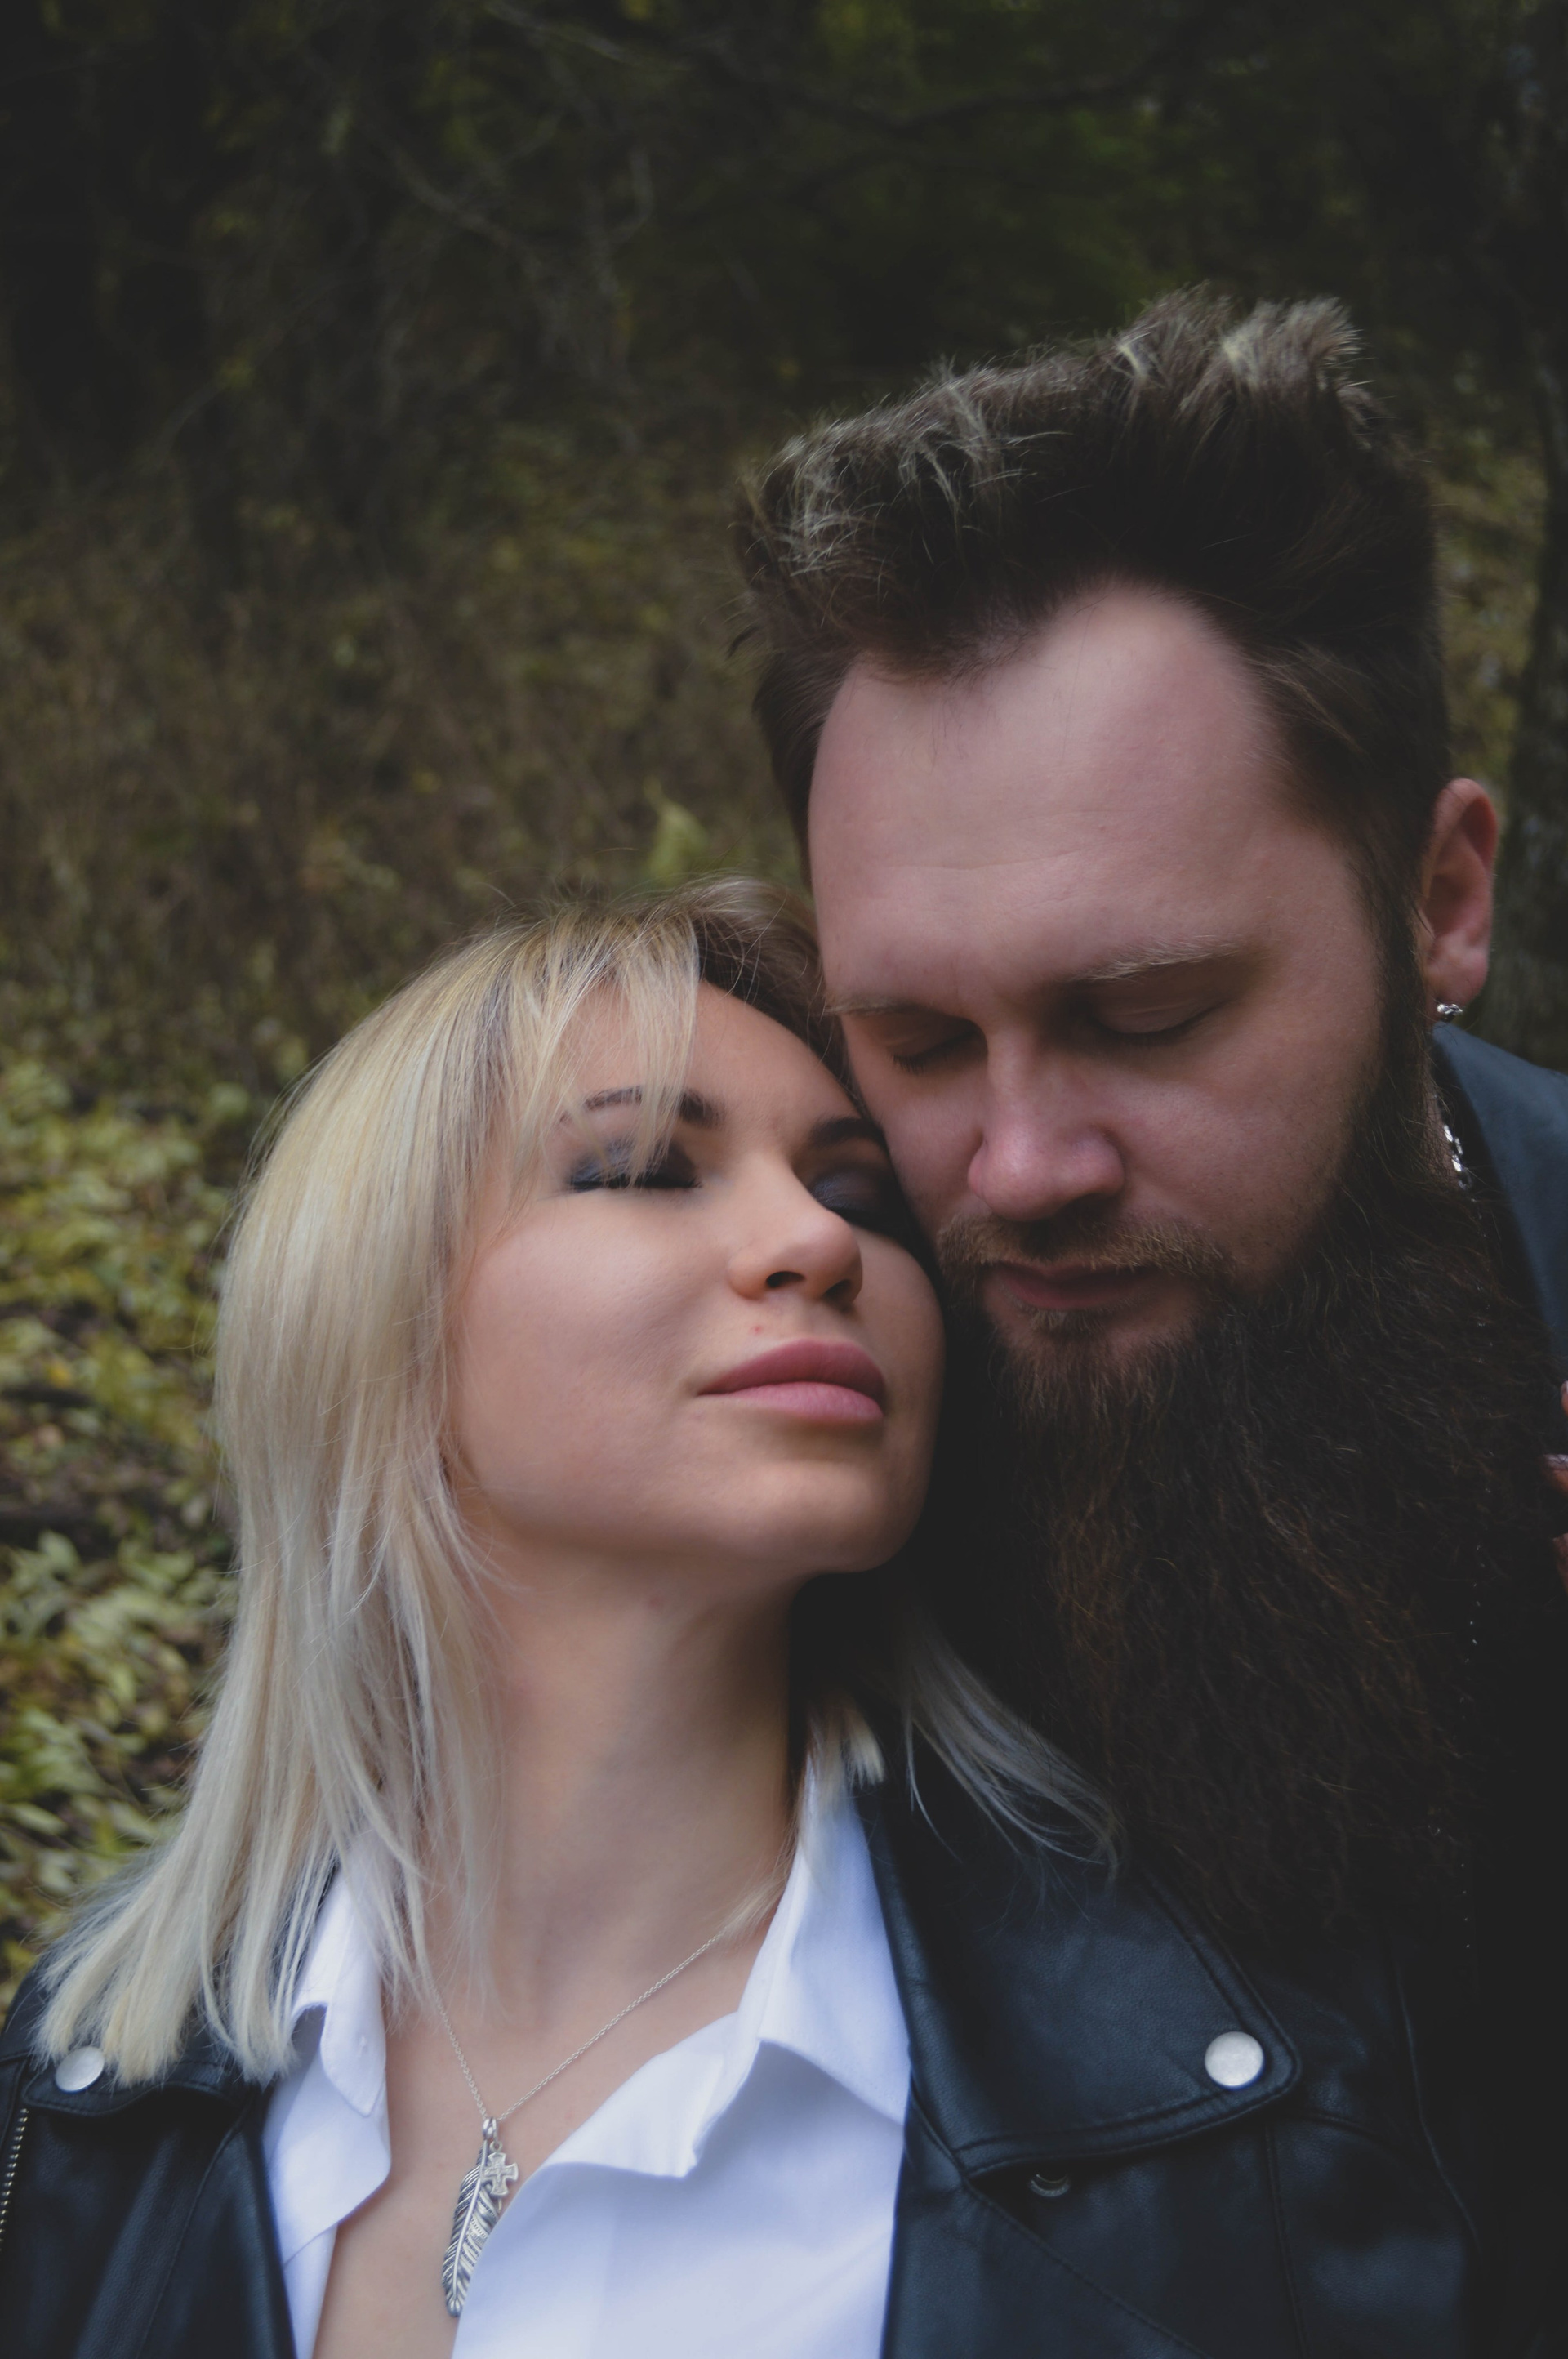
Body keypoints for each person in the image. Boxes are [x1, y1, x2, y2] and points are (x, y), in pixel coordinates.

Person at [0, 880, 1525, 2359]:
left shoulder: (1240, 2117)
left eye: (859, 1195)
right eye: (645, 1168)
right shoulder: (81, 2086)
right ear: (374, 1315)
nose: (819, 1241)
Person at [735, 291, 1568, 2350]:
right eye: (920, 1039)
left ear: (1442, 899)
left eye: (1147, 1015)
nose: (1018, 1168)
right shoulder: (774, 1399)